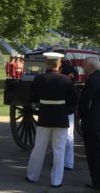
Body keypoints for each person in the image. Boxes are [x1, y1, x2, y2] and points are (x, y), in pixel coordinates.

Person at [25, 52, 78, 188]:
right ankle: (56, 181)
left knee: (39, 147)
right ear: (59, 63)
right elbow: (74, 99)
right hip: (61, 118)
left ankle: (32, 176)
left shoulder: (39, 79)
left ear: (47, 63)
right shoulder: (66, 80)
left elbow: (32, 97)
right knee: (59, 150)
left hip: (44, 117)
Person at [78, 56, 100, 190]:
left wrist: (80, 114)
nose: (83, 67)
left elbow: (85, 102)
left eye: (84, 65)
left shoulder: (92, 81)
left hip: (93, 121)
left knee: (94, 153)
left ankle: (99, 182)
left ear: (91, 66)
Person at [59, 57, 79, 171]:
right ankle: (64, 161)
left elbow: (74, 98)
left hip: (67, 109)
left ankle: (67, 162)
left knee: (67, 136)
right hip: (65, 109)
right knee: (64, 137)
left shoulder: (70, 71)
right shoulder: (67, 72)